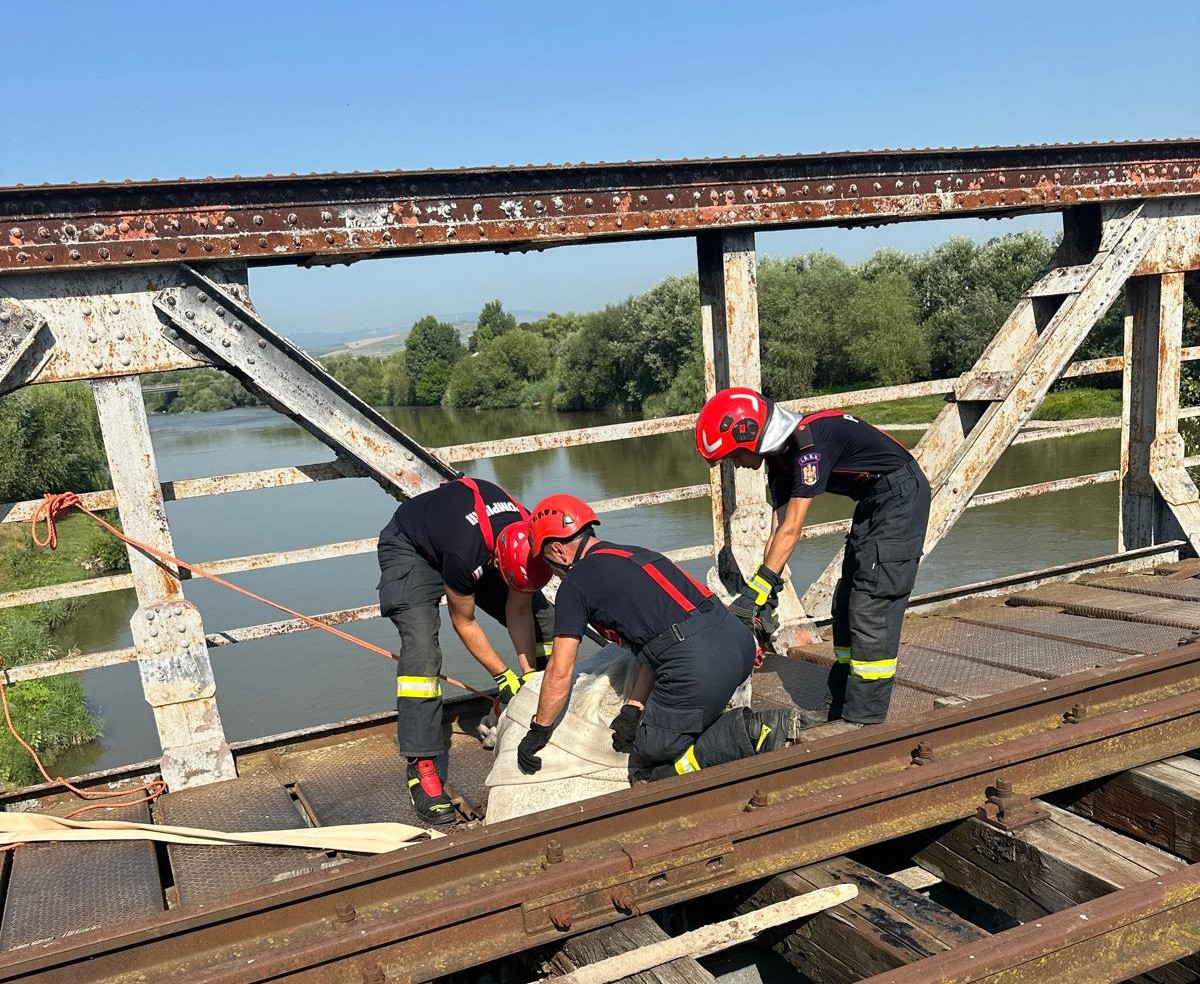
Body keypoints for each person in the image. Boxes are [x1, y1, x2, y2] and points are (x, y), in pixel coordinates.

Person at [514, 493, 800, 781]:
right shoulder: (635, 553)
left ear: (558, 551)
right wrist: (633, 707)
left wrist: (538, 731)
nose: (553, 573)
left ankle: (746, 732)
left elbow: (559, 672)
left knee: (648, 755)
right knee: (672, 716)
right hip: (738, 641)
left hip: (699, 663)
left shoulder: (574, 586)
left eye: (548, 562)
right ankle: (720, 724)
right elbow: (656, 640)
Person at [695, 387, 931, 727]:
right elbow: (777, 530)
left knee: (871, 603)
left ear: (750, 434)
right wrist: (766, 590)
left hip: (901, 497)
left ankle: (863, 718)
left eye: (734, 456)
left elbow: (794, 528)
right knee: (845, 604)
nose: (737, 464)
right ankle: (839, 706)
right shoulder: (779, 460)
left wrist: (751, 595)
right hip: (872, 503)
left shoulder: (810, 446)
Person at [377, 476, 554, 823]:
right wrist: (504, 677)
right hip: (411, 549)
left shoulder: (528, 533)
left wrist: (530, 677)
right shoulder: (463, 554)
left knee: (545, 618)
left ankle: (548, 707)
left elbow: (518, 610)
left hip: (481, 541)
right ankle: (422, 767)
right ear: (496, 562)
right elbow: (465, 621)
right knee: (422, 652)